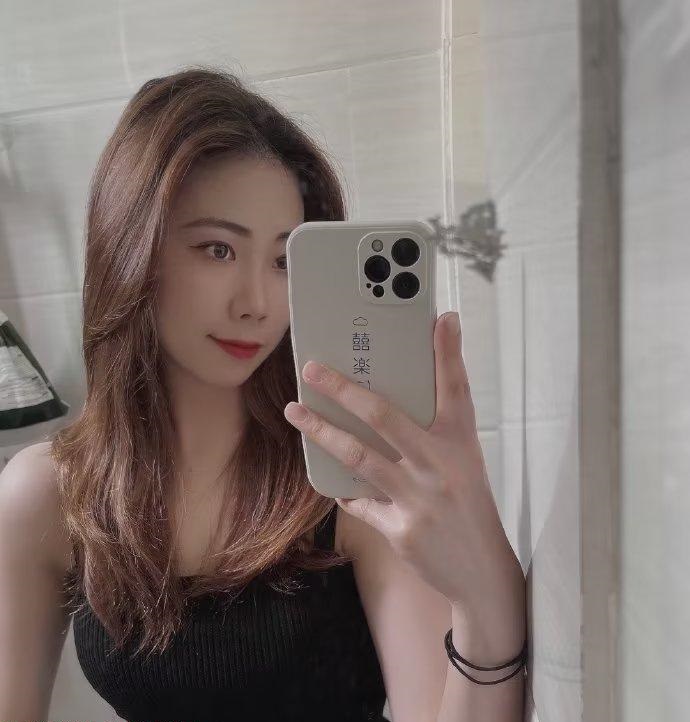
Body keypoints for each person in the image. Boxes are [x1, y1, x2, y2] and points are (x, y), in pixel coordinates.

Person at [0, 67, 526, 722]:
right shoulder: (48, 494)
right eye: (217, 250)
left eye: (282, 261)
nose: (256, 304)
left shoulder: (346, 478)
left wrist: (485, 596)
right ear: (131, 250)